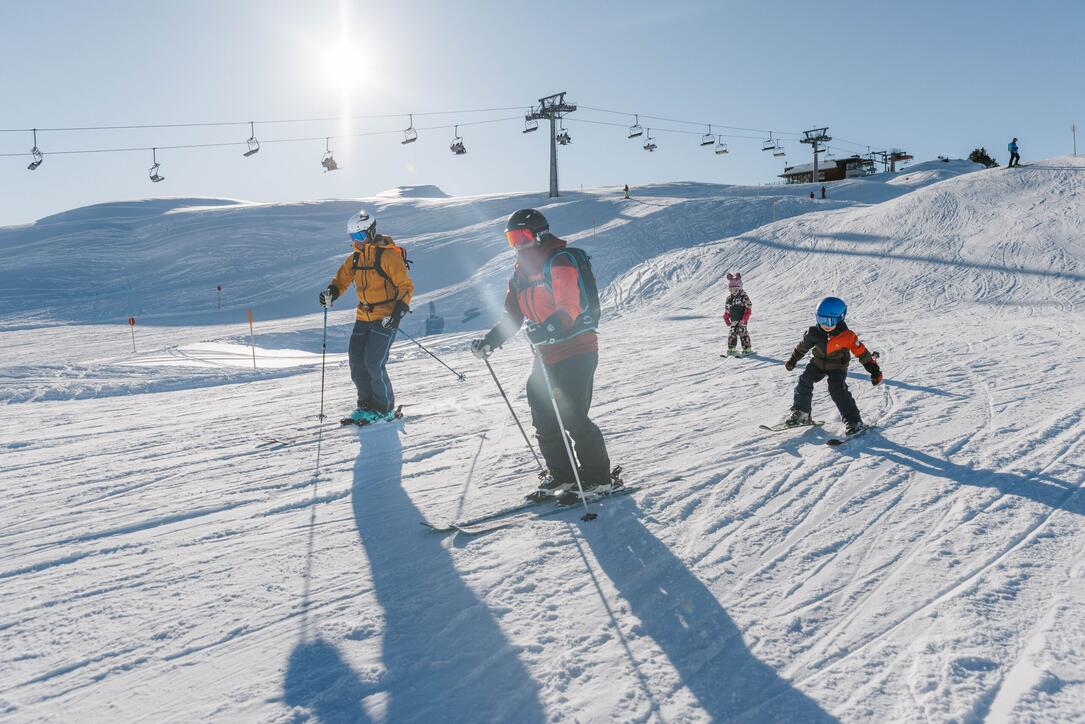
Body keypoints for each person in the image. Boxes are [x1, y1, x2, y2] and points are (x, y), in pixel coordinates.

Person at [471, 209, 613, 500]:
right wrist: (490, 342)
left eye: (522, 237)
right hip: (546, 353)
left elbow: (569, 306)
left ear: (539, 234)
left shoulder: (559, 261)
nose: (517, 245)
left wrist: (550, 327)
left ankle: (599, 479)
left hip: (577, 346)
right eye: (512, 238)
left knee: (572, 415)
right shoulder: (520, 274)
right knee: (543, 416)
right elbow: (512, 317)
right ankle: (564, 476)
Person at [319, 210, 414, 424]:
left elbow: (405, 286)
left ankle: (384, 409)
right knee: (356, 361)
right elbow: (341, 280)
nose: (357, 242)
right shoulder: (355, 258)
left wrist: (397, 314)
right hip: (363, 315)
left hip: (386, 316)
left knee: (374, 362)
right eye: (353, 238)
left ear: (371, 232)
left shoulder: (388, 255)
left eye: (360, 237)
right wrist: (330, 293)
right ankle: (365, 406)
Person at [782, 297, 882, 435]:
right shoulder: (813, 333)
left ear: (840, 318)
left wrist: (874, 370)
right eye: (821, 319)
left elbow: (862, 353)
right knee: (804, 380)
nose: (825, 325)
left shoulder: (847, 336)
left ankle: (854, 421)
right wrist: (793, 360)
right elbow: (802, 347)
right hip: (817, 364)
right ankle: (802, 413)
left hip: (837, 367)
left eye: (830, 321)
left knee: (837, 389)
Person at [723, 273, 754, 356]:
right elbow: (727, 309)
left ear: (740, 287)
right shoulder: (729, 298)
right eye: (731, 289)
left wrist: (745, 318)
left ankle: (747, 349)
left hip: (742, 319)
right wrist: (726, 318)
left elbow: (748, 307)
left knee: (742, 332)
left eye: (735, 289)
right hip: (733, 319)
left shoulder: (743, 296)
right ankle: (731, 349)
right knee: (732, 333)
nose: (733, 291)